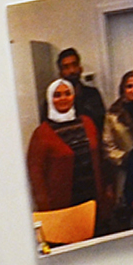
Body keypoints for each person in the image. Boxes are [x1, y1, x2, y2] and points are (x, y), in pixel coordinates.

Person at [27, 79, 104, 230]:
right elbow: (36, 176)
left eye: (67, 94)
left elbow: (101, 159)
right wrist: (47, 210)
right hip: (62, 207)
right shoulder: (42, 134)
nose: (63, 98)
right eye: (57, 95)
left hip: (93, 200)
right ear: (50, 99)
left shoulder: (88, 123)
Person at [101, 70, 133, 231]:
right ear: (123, 89)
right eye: (129, 86)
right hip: (125, 169)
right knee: (128, 210)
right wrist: (127, 159)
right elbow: (108, 147)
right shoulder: (113, 114)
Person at [56, 48, 107, 132]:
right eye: (66, 67)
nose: (71, 71)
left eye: (74, 65)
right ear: (61, 73)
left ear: (80, 68)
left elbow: (103, 125)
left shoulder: (93, 94)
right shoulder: (55, 99)